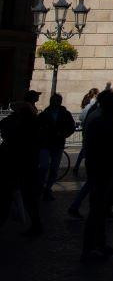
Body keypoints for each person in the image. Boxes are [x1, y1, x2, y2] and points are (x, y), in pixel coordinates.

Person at [81, 90, 113, 261]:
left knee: (101, 210)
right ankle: (90, 248)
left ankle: (99, 244)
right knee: (97, 211)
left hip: (101, 172)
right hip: (102, 172)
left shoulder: (102, 121)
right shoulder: (103, 123)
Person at [0, 102, 42, 236]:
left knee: (8, 197)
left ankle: (35, 225)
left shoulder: (22, 128)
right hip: (27, 167)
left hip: (17, 167)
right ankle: (36, 224)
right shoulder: (33, 127)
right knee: (27, 199)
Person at [36, 93, 76, 200]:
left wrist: (64, 134)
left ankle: (47, 188)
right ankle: (41, 187)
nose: (54, 103)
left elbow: (72, 126)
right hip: (46, 144)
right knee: (43, 167)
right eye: (53, 100)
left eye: (56, 101)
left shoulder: (65, 114)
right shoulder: (45, 114)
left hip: (57, 144)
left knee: (54, 168)